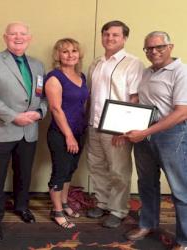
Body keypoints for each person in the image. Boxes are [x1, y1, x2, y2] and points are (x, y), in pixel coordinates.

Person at [0, 22, 47, 241]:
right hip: (1, 129)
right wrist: (13, 116)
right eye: (13, 34)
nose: (18, 37)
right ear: (5, 37)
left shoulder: (38, 65)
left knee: (24, 173)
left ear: (30, 38)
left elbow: (42, 95)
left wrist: (40, 112)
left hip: (30, 130)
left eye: (23, 34)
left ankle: (21, 206)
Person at [124, 31, 187, 250]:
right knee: (147, 184)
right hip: (145, 135)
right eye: (149, 48)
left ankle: (184, 240)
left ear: (170, 46)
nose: (154, 52)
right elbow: (143, 100)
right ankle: (147, 224)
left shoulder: (181, 72)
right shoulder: (146, 72)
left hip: (172, 136)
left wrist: (147, 131)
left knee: (180, 189)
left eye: (159, 47)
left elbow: (182, 112)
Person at [86, 20, 144, 228]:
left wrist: (126, 129)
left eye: (115, 35)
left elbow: (134, 97)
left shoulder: (133, 62)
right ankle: (102, 203)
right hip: (94, 124)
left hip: (117, 128)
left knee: (119, 170)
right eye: (106, 34)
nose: (110, 38)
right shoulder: (96, 62)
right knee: (97, 166)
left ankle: (118, 210)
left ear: (124, 38)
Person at [45, 38, 88, 229]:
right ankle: (56, 211)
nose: (70, 55)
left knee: (70, 170)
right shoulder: (54, 77)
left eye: (74, 51)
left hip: (80, 131)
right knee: (60, 172)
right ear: (58, 55)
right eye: (65, 51)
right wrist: (69, 136)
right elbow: (55, 109)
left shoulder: (82, 77)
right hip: (61, 133)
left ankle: (63, 204)